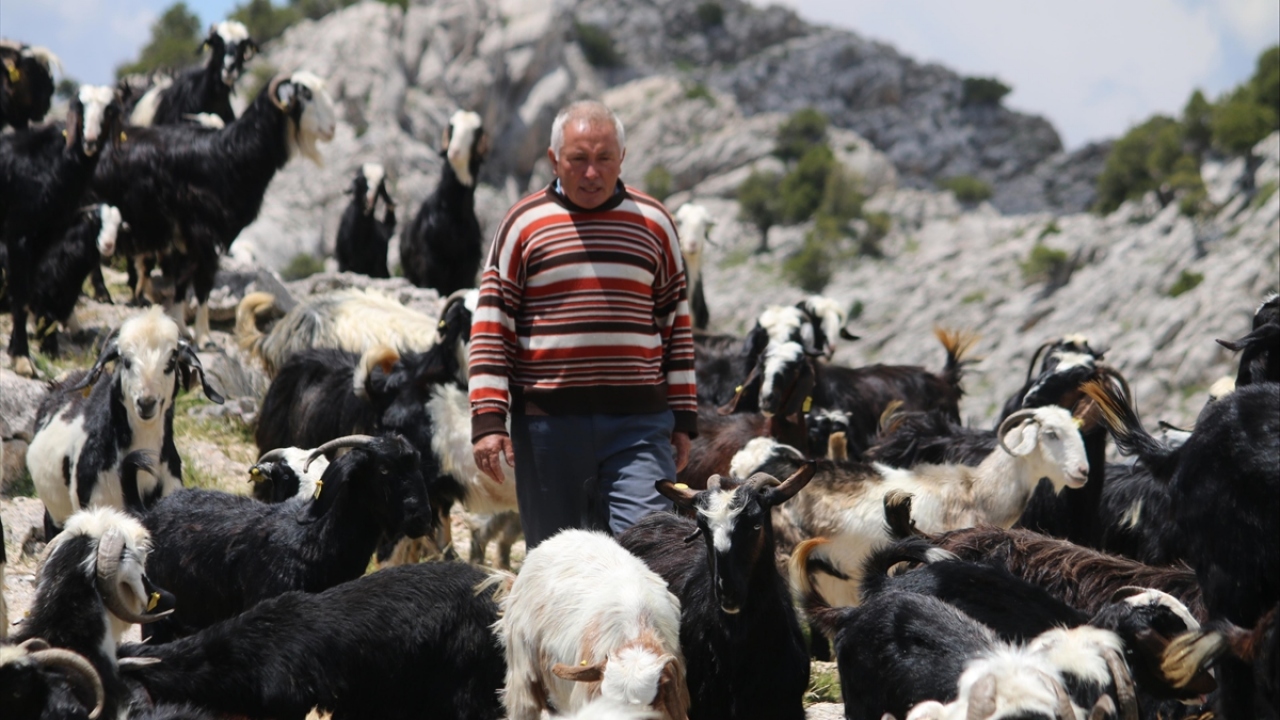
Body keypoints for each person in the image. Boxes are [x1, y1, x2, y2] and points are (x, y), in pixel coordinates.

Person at [469, 100, 697, 549]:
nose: (591, 173)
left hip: (639, 425)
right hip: (547, 430)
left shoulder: (654, 223)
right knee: (558, 565)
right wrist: (489, 418)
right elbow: (492, 324)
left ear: (622, 158)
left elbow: (677, 324)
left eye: (604, 159)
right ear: (555, 159)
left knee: (651, 553)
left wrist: (684, 416)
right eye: (578, 159)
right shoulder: (522, 224)